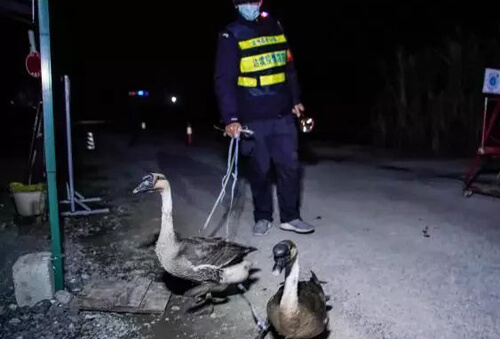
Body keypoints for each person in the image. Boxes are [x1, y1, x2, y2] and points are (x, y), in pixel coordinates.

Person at [214, 0, 315, 236]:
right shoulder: (231, 35)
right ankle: (262, 216)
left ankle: (291, 217)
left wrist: (295, 99)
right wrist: (231, 118)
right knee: (259, 170)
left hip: (282, 113)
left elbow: (288, 68)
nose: (250, 6)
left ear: (260, 2)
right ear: (236, 5)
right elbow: (224, 81)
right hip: (251, 116)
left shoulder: (275, 26)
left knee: (289, 166)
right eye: (244, 2)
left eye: (254, 1)